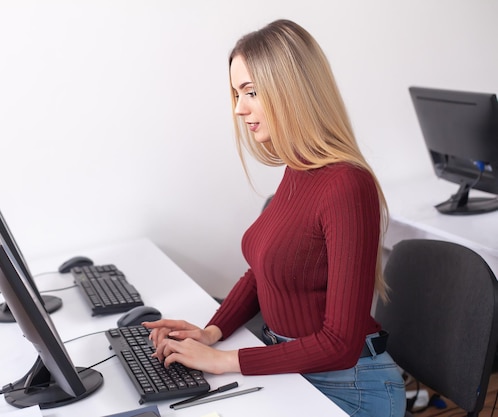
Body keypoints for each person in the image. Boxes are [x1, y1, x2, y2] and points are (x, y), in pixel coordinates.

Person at [143, 19, 406, 417]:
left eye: (250, 92)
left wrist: (224, 360)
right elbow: (263, 270)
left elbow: (340, 344)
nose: (238, 108)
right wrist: (211, 332)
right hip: (296, 370)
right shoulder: (299, 169)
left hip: (351, 386)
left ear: (291, 91)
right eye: (236, 93)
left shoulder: (347, 185)